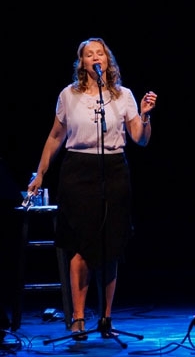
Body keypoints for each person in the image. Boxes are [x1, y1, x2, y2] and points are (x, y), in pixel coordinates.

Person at [27, 37, 157, 339]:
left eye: (101, 53)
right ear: (82, 63)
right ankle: (79, 317)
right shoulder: (68, 95)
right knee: (81, 245)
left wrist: (146, 115)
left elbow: (139, 137)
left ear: (107, 60)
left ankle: (107, 319)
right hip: (78, 171)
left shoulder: (122, 95)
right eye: (89, 54)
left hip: (113, 170)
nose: (96, 57)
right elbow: (55, 137)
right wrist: (41, 173)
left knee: (111, 247)